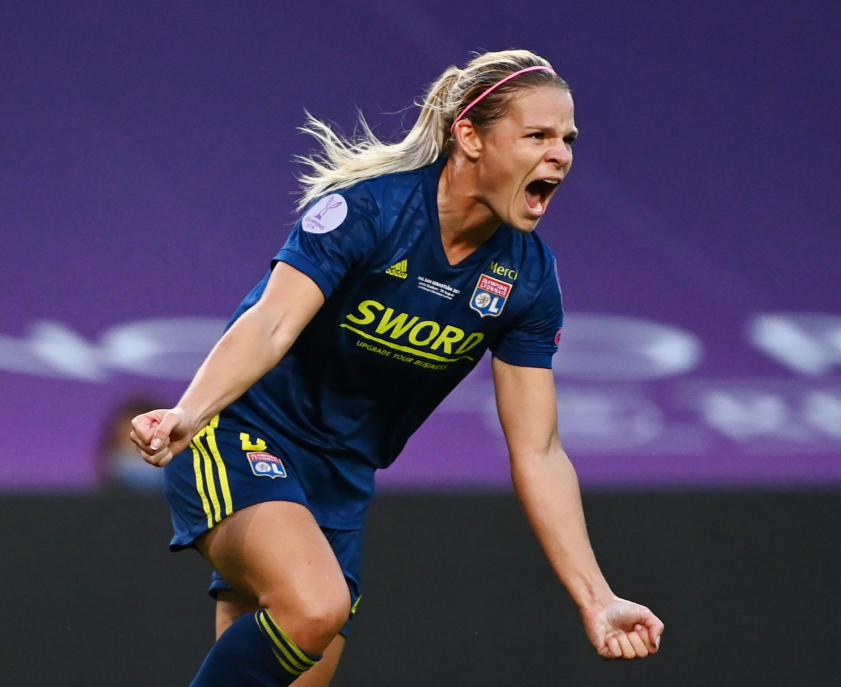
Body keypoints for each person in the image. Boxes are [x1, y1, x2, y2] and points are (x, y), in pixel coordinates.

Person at [130, 48, 664, 687]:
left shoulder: (527, 277)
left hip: (342, 478)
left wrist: (597, 597)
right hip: (241, 434)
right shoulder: (369, 212)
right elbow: (271, 323)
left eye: (568, 139)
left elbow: (540, 450)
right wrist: (191, 411)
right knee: (315, 605)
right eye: (538, 136)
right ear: (469, 136)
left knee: (296, 651)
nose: (562, 155)